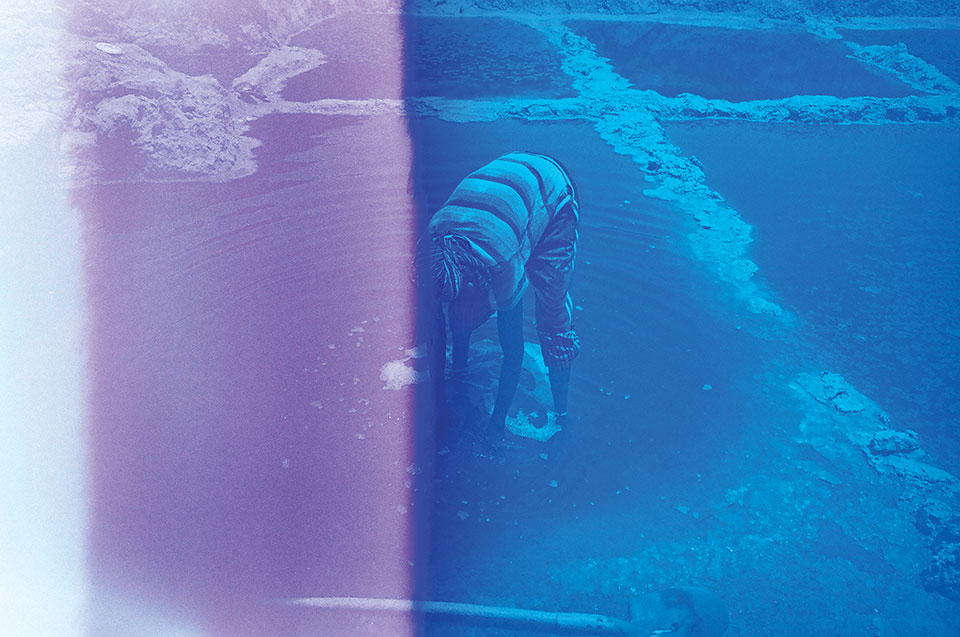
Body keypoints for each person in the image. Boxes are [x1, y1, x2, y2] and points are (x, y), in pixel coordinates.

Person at [414, 151, 581, 445]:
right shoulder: (429, 250)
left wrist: (496, 427)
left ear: (471, 281)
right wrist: (439, 405)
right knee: (459, 313)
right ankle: (460, 369)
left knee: (552, 310)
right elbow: (435, 327)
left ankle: (561, 417)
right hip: (507, 190)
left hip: (551, 193)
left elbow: (513, 351)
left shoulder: (500, 263)